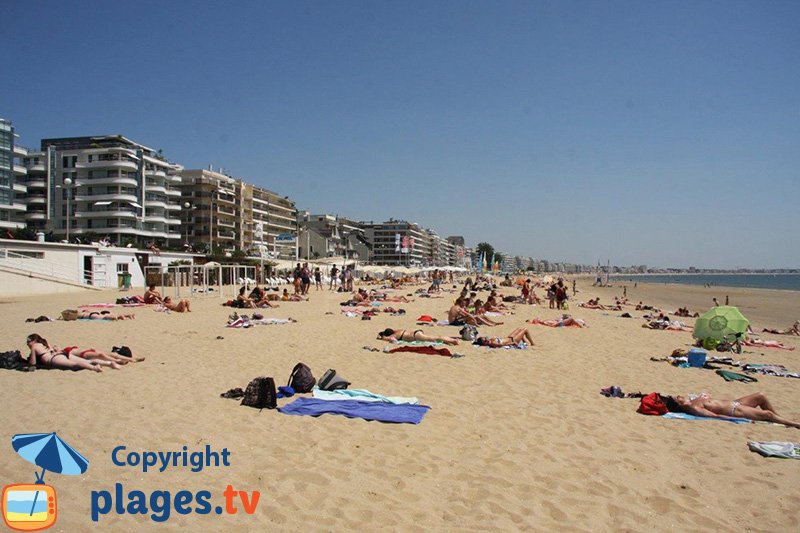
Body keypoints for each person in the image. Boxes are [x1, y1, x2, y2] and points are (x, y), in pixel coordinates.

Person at [665, 392, 800, 428]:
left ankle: (779, 419)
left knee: (761, 396)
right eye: (677, 398)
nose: (678, 396)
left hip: (735, 403)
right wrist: (738, 419)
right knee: (767, 414)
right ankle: (794, 424)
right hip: (735, 411)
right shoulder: (693, 407)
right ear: (679, 404)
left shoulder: (693, 400)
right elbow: (714, 416)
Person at [25, 334, 119, 372]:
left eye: (28, 342)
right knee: (87, 361)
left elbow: (32, 363)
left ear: (33, 341)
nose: (27, 344)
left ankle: (95, 368)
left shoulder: (34, 346)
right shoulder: (44, 343)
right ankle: (109, 364)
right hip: (62, 354)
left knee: (75, 364)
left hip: (54, 359)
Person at [377, 328, 460, 345]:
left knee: (436, 338)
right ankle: (451, 339)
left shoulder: (395, 335)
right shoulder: (397, 330)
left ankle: (453, 341)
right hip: (417, 331)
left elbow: (385, 338)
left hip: (416, 336)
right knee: (436, 337)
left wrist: (381, 336)